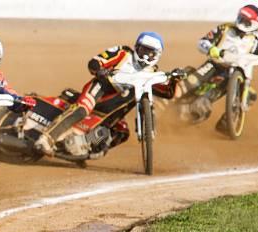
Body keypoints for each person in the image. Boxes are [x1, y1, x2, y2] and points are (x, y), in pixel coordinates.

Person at [34, 32, 184, 156]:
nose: (146, 56)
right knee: (82, 109)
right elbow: (95, 62)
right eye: (144, 51)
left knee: (122, 131)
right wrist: (100, 70)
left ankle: (88, 147)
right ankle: (46, 139)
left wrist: (175, 80)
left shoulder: (152, 73)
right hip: (101, 87)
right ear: (137, 47)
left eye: (151, 53)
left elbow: (167, 93)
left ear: (157, 55)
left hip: (112, 106)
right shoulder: (123, 53)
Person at [185, 4, 258, 131]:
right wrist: (212, 49)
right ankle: (165, 99)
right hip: (215, 65)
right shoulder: (225, 28)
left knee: (250, 95)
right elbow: (202, 42)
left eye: (246, 21)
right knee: (190, 83)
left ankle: (228, 124)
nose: (241, 22)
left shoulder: (256, 39)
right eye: (241, 18)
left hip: (234, 74)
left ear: (255, 23)